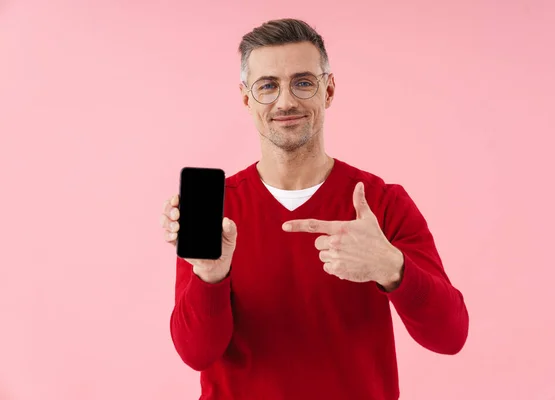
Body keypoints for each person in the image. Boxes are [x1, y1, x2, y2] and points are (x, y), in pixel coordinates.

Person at [160, 18, 469, 400]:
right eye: (267, 86)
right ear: (245, 98)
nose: (286, 101)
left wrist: (392, 267)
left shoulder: (382, 203)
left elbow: (450, 337)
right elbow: (197, 353)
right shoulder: (215, 213)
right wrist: (211, 274)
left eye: (303, 82)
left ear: (329, 89)